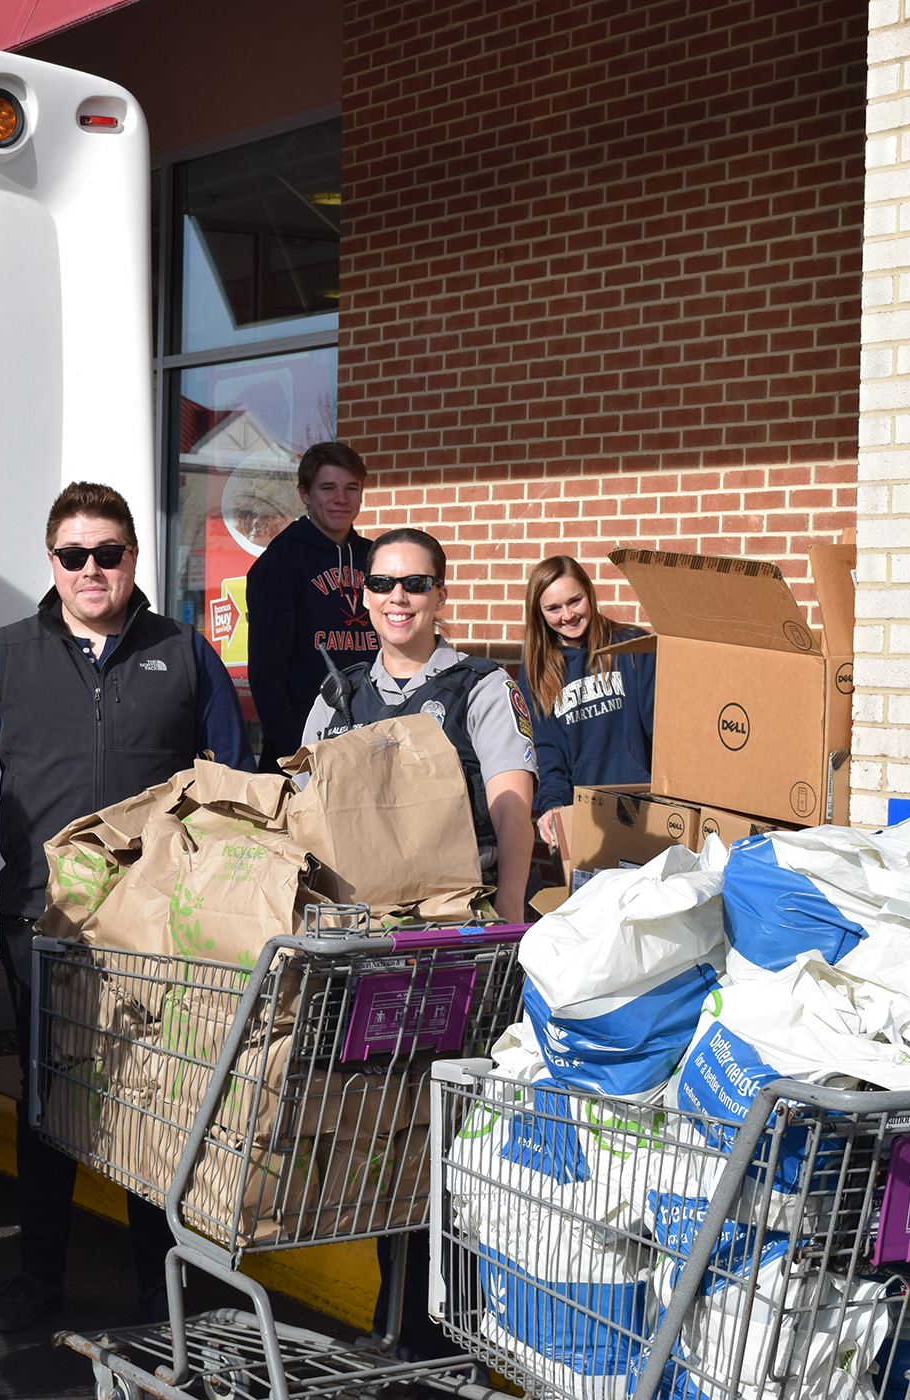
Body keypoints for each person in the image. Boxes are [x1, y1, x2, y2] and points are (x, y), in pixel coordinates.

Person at [0, 481, 255, 1333]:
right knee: (49, 1109)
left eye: (107, 553)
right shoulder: (7, 654)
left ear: (132, 559)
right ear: (52, 563)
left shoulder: (184, 652)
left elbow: (237, 790)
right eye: (73, 555)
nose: (91, 570)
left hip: (159, 930)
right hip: (45, 926)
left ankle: (163, 1291)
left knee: (156, 1109)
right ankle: (39, 1277)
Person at [301, 526, 535, 1359]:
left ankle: (451, 1328)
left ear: (442, 594)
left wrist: (507, 910)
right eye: (384, 582)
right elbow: (305, 804)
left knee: (448, 1130)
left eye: (417, 583)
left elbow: (510, 794)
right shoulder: (338, 693)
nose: (399, 597)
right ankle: (395, 1324)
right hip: (363, 949)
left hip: (457, 942)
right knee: (385, 1126)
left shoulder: (480, 684)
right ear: (363, 595)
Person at [245, 442, 378, 769]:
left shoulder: (377, 558)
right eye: (328, 488)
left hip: (374, 740)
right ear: (305, 494)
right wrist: (295, 754)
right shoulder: (279, 564)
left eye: (351, 488)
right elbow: (267, 673)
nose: (341, 499)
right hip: (308, 747)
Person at [518, 555, 657, 855]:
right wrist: (555, 806)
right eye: (553, 608)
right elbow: (546, 749)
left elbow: (663, 728)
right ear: (539, 613)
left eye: (574, 601)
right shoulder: (536, 670)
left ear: (589, 594)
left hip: (647, 808)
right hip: (583, 815)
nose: (567, 615)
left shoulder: (631, 646)